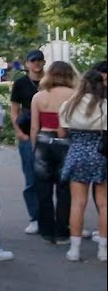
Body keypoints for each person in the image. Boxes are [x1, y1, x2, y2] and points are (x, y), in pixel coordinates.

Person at [58, 61, 107, 262]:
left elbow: (62, 133)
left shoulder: (68, 105)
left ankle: (74, 250)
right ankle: (103, 250)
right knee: (104, 204)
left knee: (77, 203)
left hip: (77, 153)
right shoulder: (105, 106)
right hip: (101, 154)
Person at [30, 61, 76, 245]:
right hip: (66, 142)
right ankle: (62, 231)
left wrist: (34, 148)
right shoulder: (74, 96)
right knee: (65, 189)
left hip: (43, 140)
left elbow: (34, 126)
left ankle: (46, 230)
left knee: (43, 187)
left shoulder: (39, 96)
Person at [11, 50, 45, 233]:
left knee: (55, 179)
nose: (37, 64)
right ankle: (35, 217)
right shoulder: (21, 83)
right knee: (31, 178)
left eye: (39, 60)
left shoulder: (51, 81)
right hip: (26, 133)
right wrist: (19, 133)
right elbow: (14, 110)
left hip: (49, 134)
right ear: (27, 63)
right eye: (33, 61)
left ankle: (53, 217)